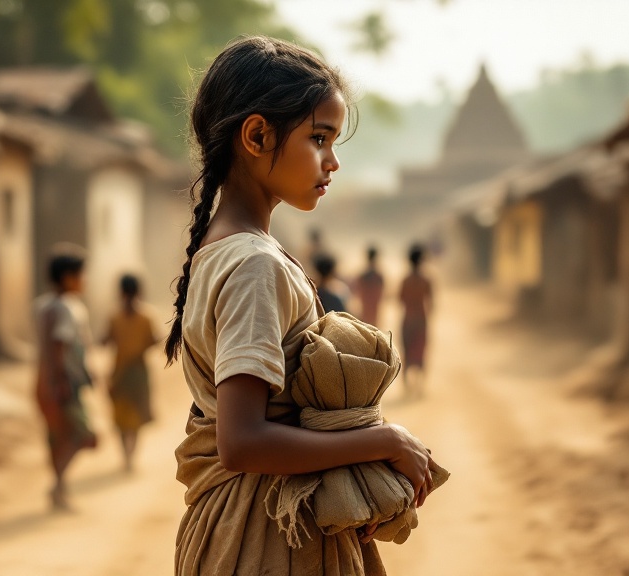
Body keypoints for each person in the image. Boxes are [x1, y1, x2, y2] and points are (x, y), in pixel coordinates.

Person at [166, 36, 437, 575]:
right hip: (268, 536)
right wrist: (382, 439)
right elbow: (242, 442)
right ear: (257, 134)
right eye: (318, 138)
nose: (332, 162)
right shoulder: (254, 266)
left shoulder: (223, 252)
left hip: (245, 527)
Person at [33, 244, 97, 511]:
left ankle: (59, 489)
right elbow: (60, 345)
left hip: (41, 382)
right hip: (62, 384)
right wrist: (63, 381)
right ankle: (58, 486)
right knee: (84, 436)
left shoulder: (42, 306)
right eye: (81, 275)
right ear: (68, 277)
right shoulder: (68, 308)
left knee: (57, 436)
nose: (84, 281)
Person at [102, 273, 158, 473]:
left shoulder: (114, 316)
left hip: (119, 372)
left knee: (121, 418)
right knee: (136, 417)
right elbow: (154, 340)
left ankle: (125, 456)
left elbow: (105, 340)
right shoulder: (147, 316)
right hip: (138, 372)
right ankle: (131, 456)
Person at [399, 244, 434, 399]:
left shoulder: (405, 280)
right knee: (421, 353)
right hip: (421, 320)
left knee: (406, 353)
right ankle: (420, 386)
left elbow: (400, 299)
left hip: (407, 320)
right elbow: (431, 303)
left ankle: (407, 386)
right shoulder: (426, 280)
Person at [353, 245, 385, 327]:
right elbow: (382, 292)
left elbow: (358, 291)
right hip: (374, 305)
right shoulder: (378, 276)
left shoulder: (363, 275)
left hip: (365, 305)